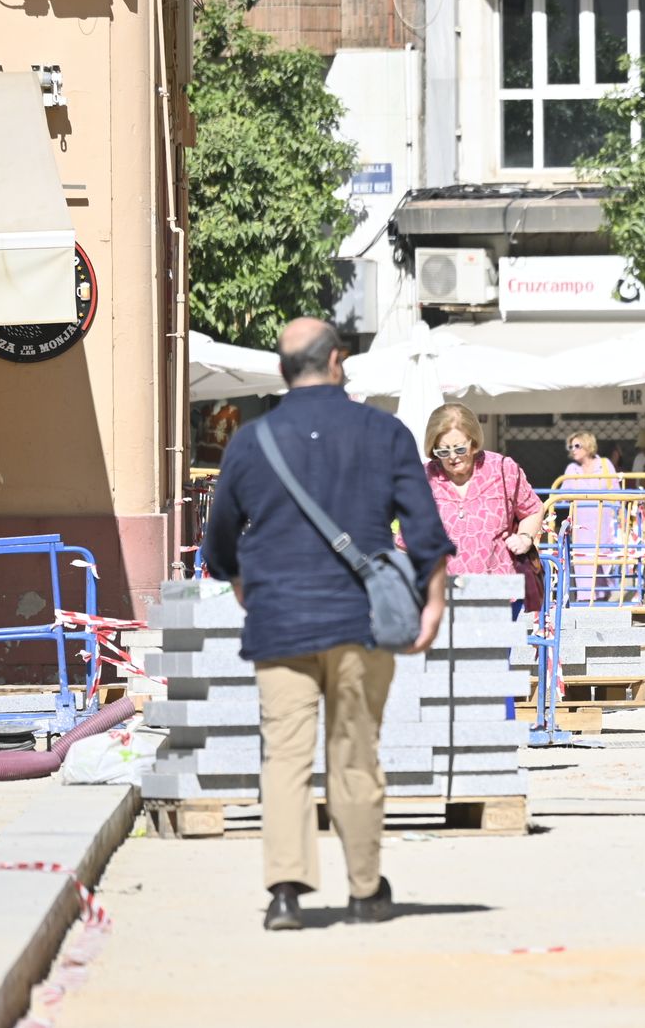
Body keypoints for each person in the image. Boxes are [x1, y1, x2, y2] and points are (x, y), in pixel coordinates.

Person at [203, 318, 454, 932]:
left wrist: (245, 587)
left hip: (278, 622)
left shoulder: (251, 441)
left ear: (283, 369)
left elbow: (219, 544)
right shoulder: (384, 433)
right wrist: (432, 602)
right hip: (360, 622)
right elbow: (423, 531)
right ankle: (365, 890)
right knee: (355, 754)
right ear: (337, 360)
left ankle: (285, 893)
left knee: (284, 757)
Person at [422, 403, 544, 612]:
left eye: (460, 449)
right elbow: (406, 540)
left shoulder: (503, 469)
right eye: (443, 451)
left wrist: (524, 538)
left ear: (473, 442)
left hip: (498, 590)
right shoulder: (423, 478)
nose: (452, 457)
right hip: (440, 594)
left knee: (492, 636)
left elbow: (532, 509)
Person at [559, 430, 622, 602]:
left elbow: (616, 493)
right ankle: (585, 599)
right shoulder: (572, 469)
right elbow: (561, 496)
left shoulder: (605, 464)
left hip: (605, 524)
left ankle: (607, 596)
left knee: (606, 563)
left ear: (588, 445)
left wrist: (619, 518)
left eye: (577, 445)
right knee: (583, 564)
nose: (573, 450)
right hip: (582, 527)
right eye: (571, 447)